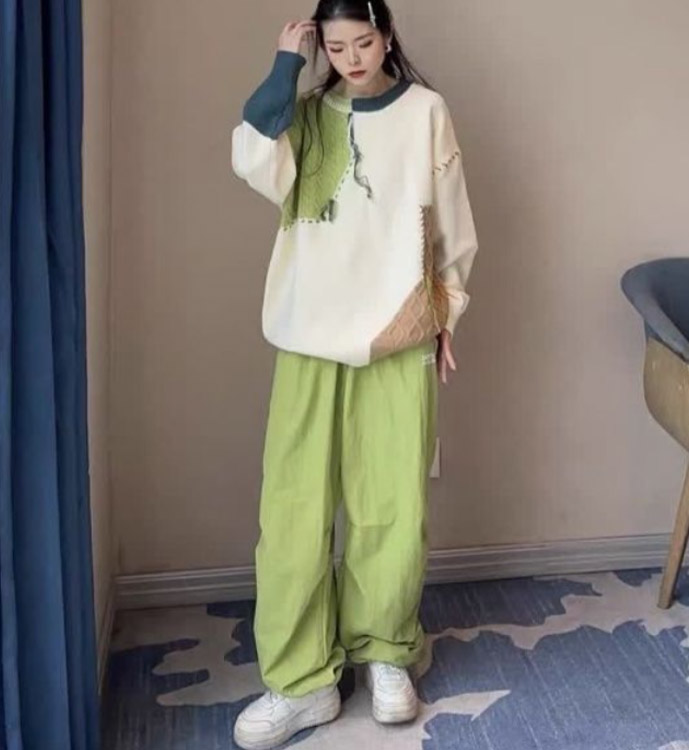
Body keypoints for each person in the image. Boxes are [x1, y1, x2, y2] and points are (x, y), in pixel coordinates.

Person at [230, 1, 478, 747]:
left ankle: (386, 652)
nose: (352, 58)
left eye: (363, 42)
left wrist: (446, 313)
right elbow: (250, 154)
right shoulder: (303, 117)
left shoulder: (427, 111)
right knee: (294, 510)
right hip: (307, 331)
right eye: (335, 47)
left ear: (387, 36)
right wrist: (285, 64)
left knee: (392, 504)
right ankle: (300, 681)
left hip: (398, 331)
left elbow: (453, 224)